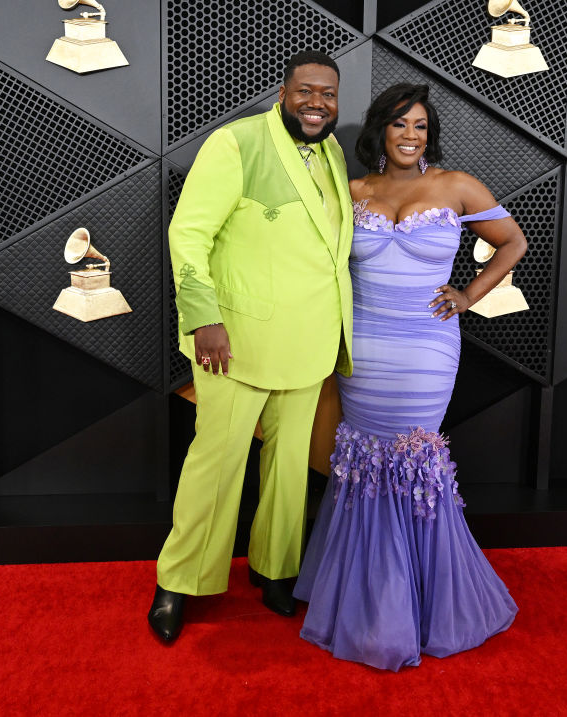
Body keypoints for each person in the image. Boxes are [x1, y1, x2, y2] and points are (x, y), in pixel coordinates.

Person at [293, 83, 526, 671]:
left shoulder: (457, 186)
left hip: (427, 348)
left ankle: (423, 603)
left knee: (411, 457)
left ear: (429, 134)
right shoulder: (354, 192)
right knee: (365, 457)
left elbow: (512, 241)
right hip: (365, 348)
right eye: (400, 124)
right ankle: (369, 599)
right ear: (381, 130)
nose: (411, 135)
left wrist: (468, 295)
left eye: (420, 126)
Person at [148, 51, 354, 643]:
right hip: (235, 342)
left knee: (289, 471)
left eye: (328, 94)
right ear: (283, 93)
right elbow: (189, 233)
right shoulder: (235, 142)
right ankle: (177, 582)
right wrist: (203, 318)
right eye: (306, 91)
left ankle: (276, 572)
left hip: (310, 340)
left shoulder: (334, 152)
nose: (317, 104)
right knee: (215, 466)